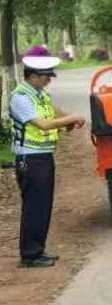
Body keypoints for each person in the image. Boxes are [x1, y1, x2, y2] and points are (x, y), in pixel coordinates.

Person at [9, 49, 86, 268]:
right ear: (32, 75)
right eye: (45, 76)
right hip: (29, 159)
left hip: (43, 156)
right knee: (34, 206)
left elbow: (51, 121)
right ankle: (30, 255)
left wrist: (66, 124)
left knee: (43, 205)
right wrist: (70, 118)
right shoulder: (21, 96)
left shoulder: (40, 95)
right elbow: (41, 124)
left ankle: (38, 250)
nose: (48, 81)